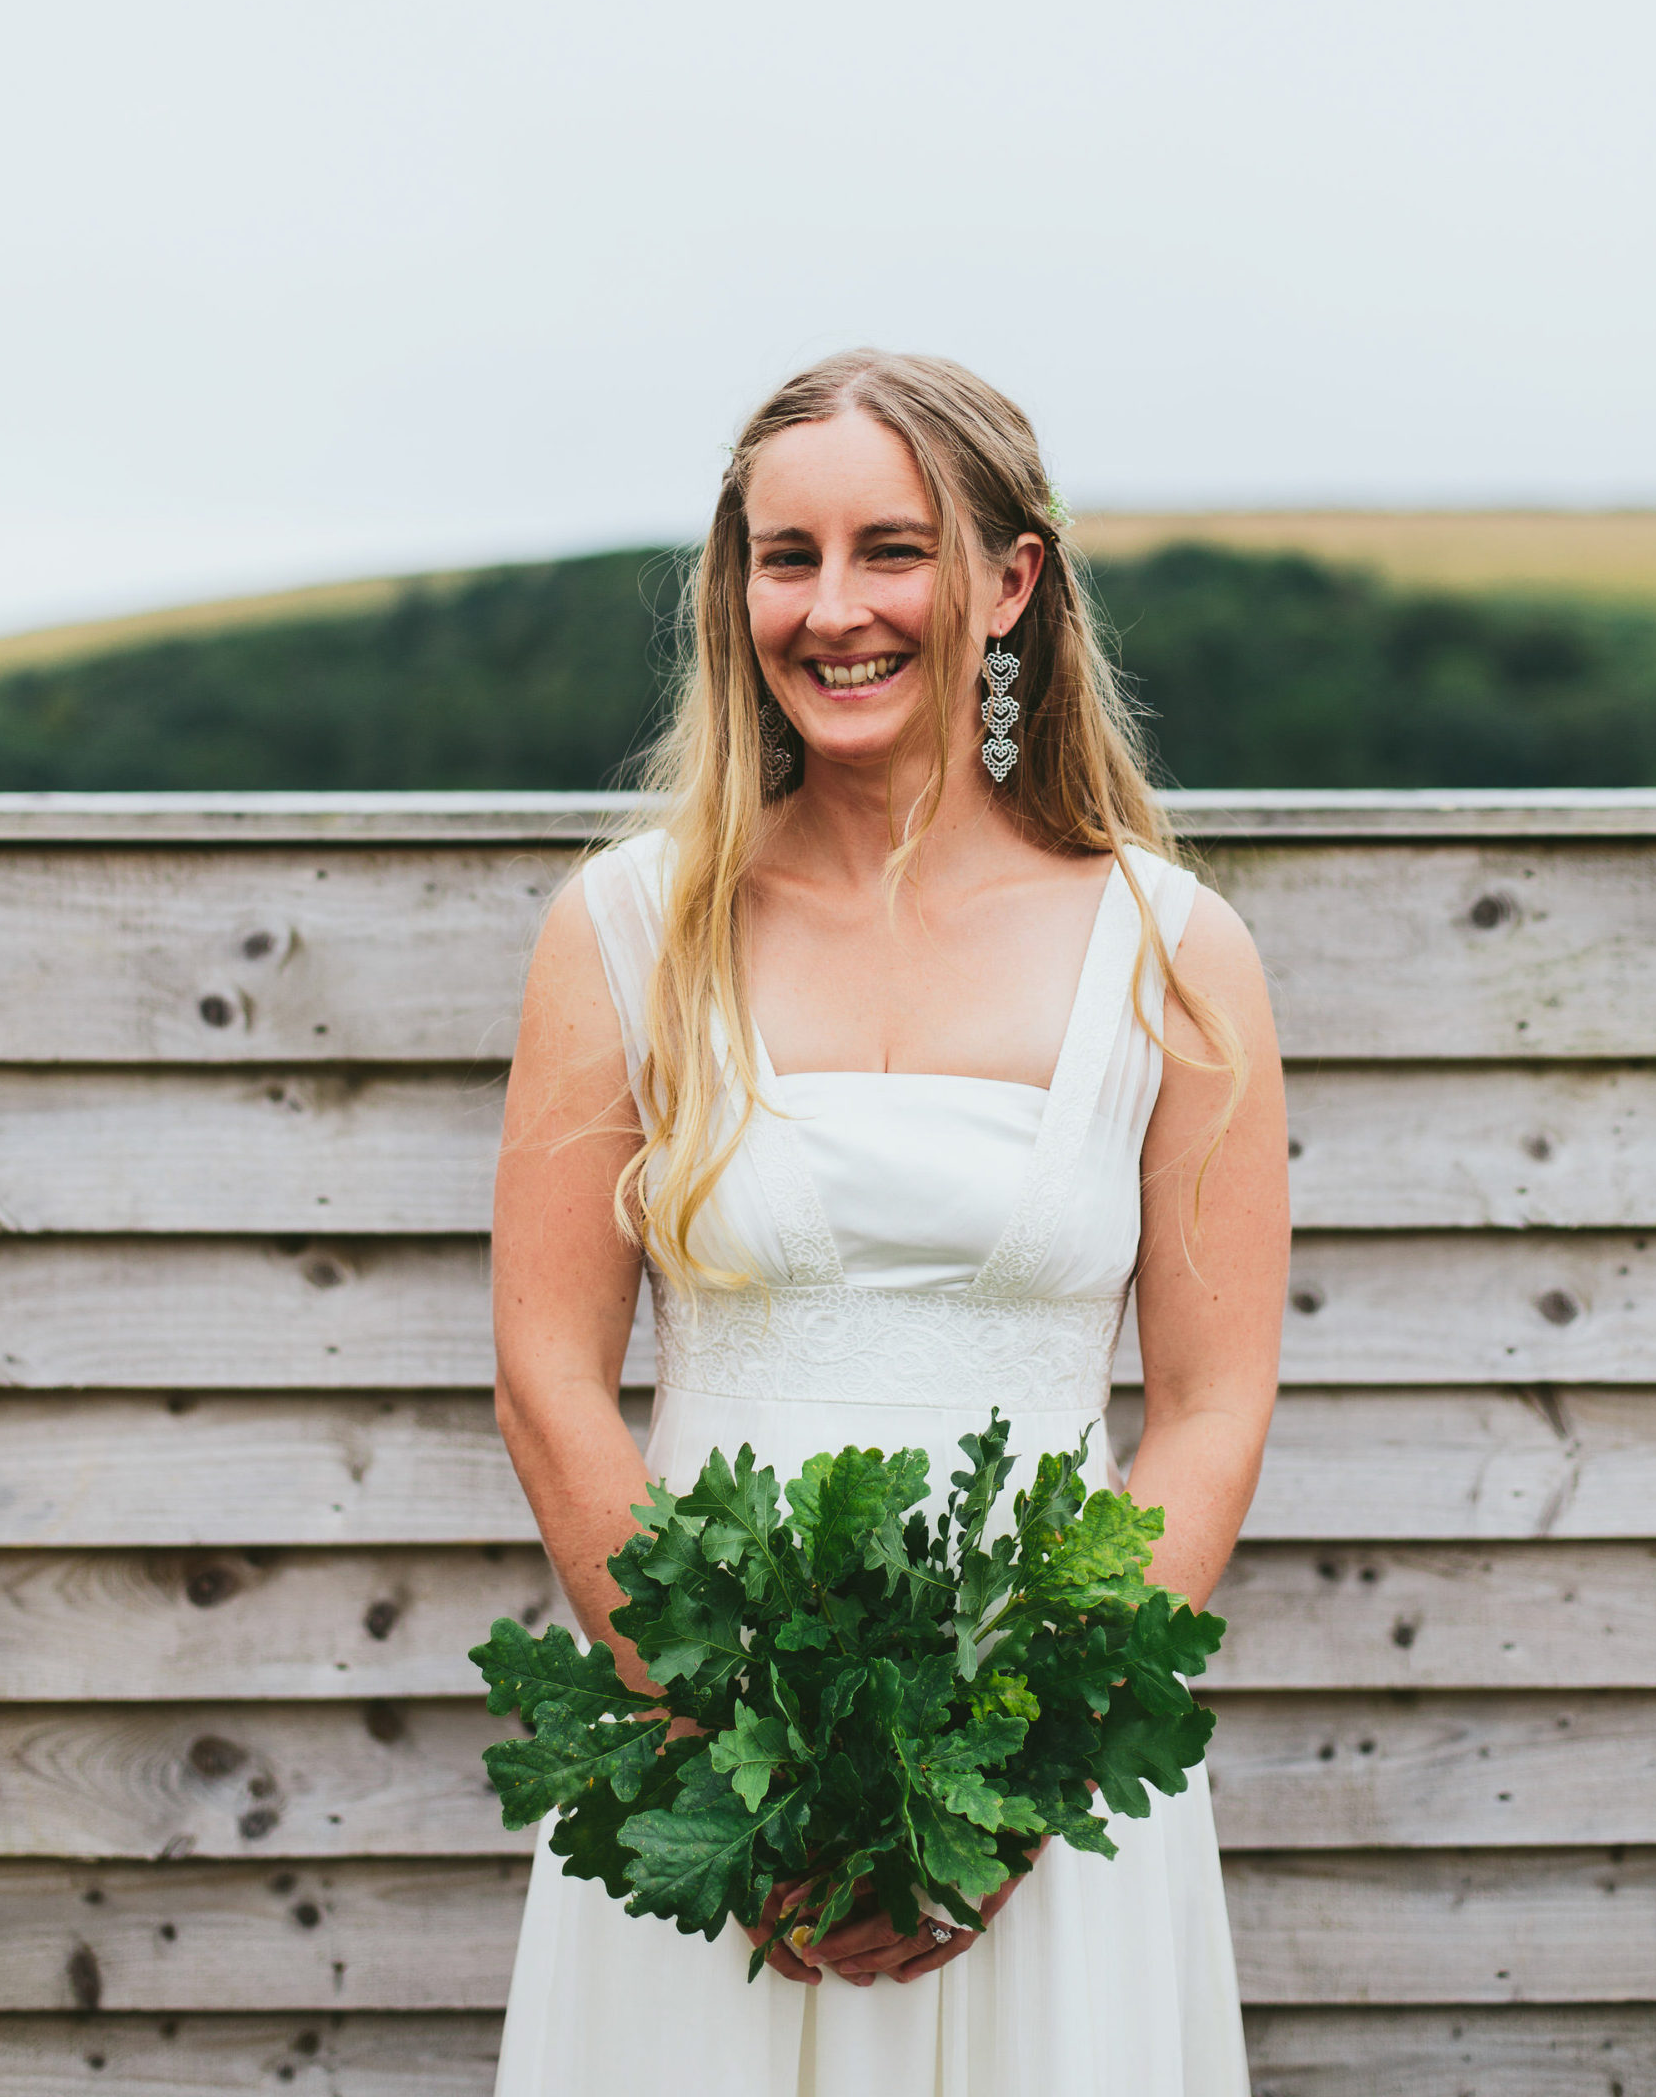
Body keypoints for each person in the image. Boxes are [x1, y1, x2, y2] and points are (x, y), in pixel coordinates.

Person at [490, 349, 1289, 2097]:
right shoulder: (624, 933)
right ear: (737, 588)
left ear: (1011, 585)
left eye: (892, 551)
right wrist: (729, 1759)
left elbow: (1215, 1408)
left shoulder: (1171, 955)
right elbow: (548, 1371)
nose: (834, 609)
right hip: (703, 1767)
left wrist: (1014, 1778)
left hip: (1044, 1792)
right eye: (789, 557)